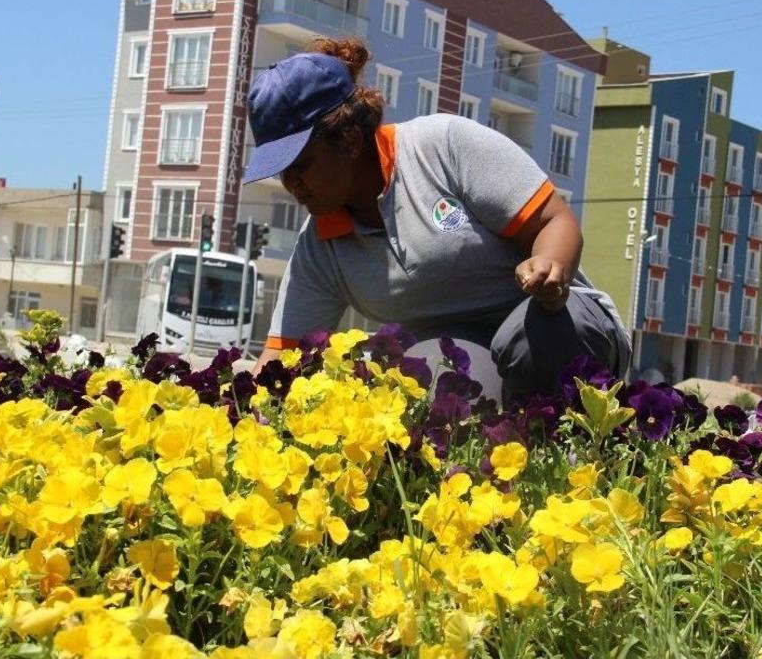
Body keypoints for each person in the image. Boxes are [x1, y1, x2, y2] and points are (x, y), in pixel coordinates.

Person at [246, 37, 630, 399]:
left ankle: (583, 457)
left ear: (348, 138)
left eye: (300, 164)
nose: (290, 182)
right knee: (429, 386)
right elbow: (283, 357)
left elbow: (555, 222)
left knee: (530, 341)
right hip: (464, 348)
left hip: (558, 318)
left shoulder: (444, 147)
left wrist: (551, 265)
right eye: (281, 170)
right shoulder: (320, 244)